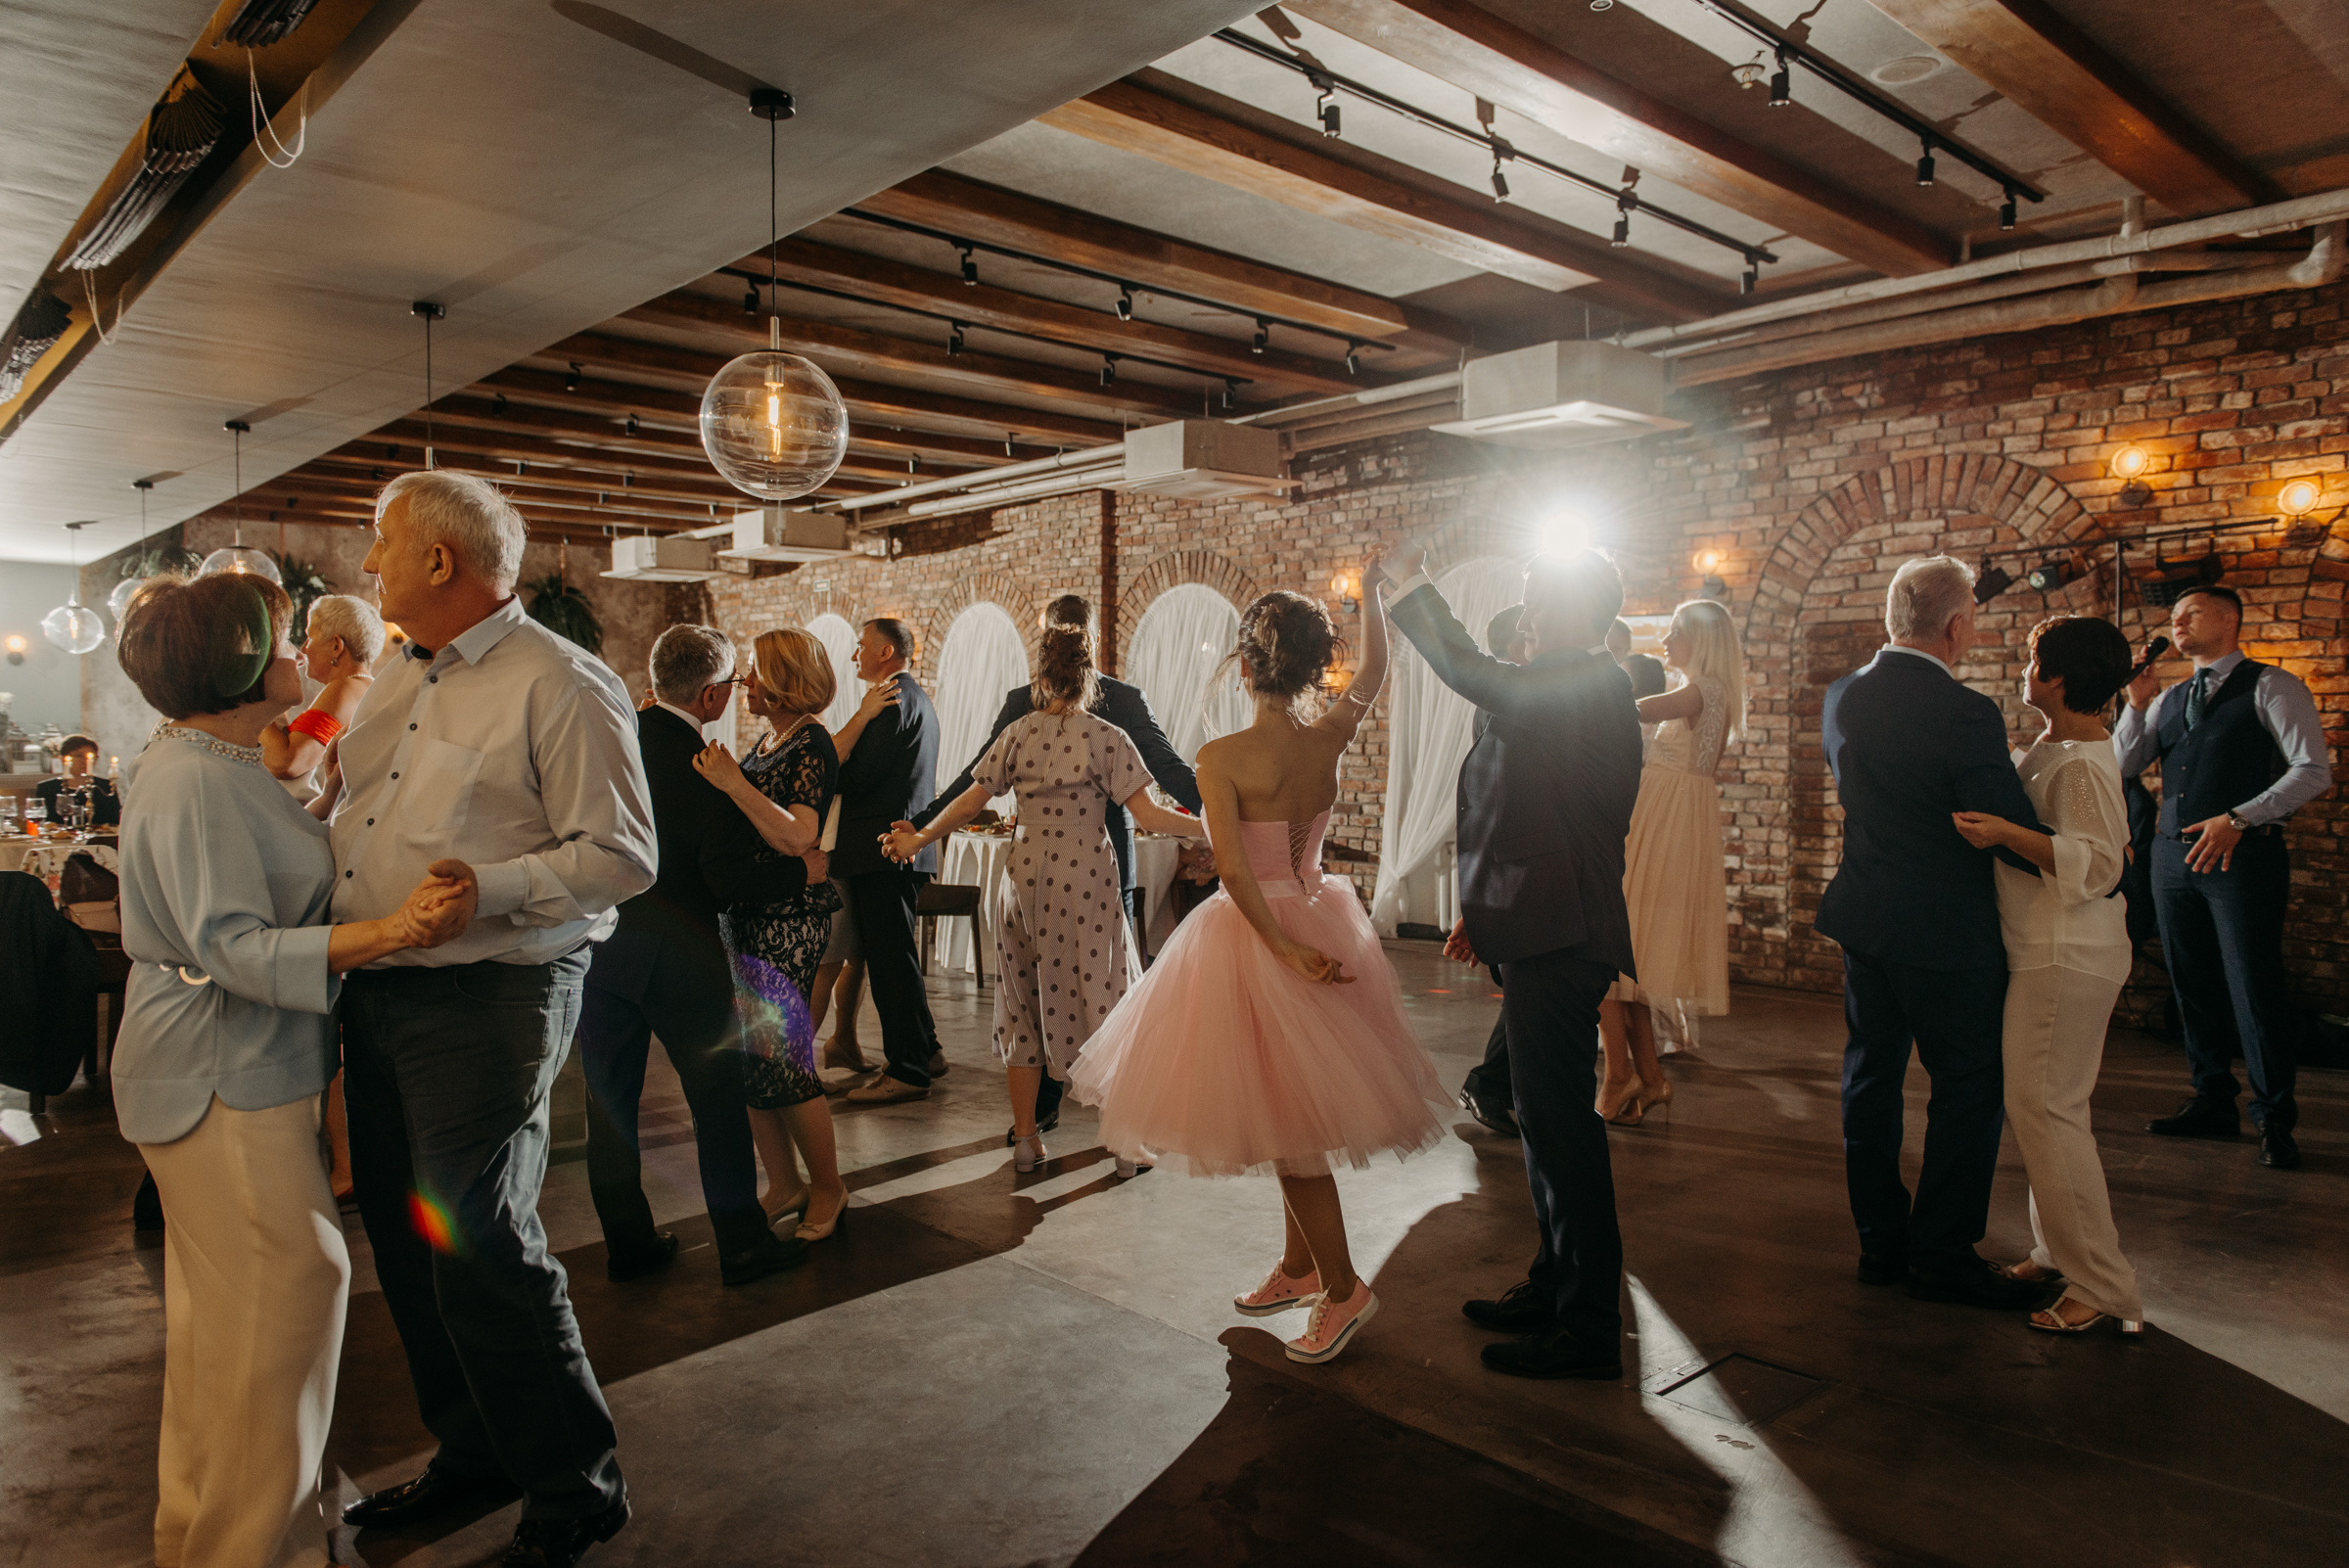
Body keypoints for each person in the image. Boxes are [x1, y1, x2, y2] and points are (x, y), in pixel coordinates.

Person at [111, 573, 470, 1568]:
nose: (299, 658)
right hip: (216, 1070)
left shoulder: (211, 759)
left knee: (224, 1322)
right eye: (280, 644)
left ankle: (205, 1536)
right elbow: (232, 945)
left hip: (229, 1065)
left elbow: (252, 863)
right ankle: (249, 1549)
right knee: (291, 1293)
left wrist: (323, 799)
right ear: (235, 669)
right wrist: (390, 930)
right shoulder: (192, 776)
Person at [330, 470, 655, 1568]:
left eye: (382, 545)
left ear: (438, 560)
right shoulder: (393, 675)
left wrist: (494, 887)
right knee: (408, 1240)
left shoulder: (561, 684)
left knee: (479, 1242)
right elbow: (360, 816)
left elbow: (622, 856)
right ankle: (472, 1453)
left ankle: (576, 1485)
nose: (367, 566)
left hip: (491, 995)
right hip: (376, 992)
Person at [1072, 578, 1449, 1367]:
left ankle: (1343, 1289)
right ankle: (1300, 1265)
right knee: (1290, 1109)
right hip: (1320, 913)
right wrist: (1372, 594)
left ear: (1245, 667)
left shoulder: (1221, 757)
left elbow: (1236, 875)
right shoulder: (1329, 737)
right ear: (1314, 670)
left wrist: (1280, 949)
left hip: (1263, 932)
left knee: (1295, 1129)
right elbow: (1375, 675)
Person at [1388, 541, 1642, 1381]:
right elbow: (1522, 807)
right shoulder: (1565, 687)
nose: (1528, 607)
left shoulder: (1584, 681)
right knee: (1543, 1121)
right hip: (1542, 925)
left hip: (1565, 933)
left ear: (1572, 610)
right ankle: (1554, 1284)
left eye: (1538, 593)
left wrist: (1415, 590)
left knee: (1563, 1129)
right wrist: (1482, 908)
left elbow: (1468, 668)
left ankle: (1589, 1330)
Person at [887, 622, 1209, 1176]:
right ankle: (1125, 1145)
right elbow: (1151, 817)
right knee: (1105, 999)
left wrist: (918, 837)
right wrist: (1220, 831)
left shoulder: (1018, 734)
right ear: (1090, 676)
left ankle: (1027, 1139)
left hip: (1023, 881)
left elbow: (970, 801)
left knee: (1022, 1002)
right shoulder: (1108, 738)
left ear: (1041, 675)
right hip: (1084, 881)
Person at [1818, 555, 2047, 1312]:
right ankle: (1942, 1251)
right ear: (1955, 626)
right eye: (1973, 619)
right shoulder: (1966, 713)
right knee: (1968, 1085)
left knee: (1871, 1078)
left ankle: (1881, 1242)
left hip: (1866, 916)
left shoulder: (1842, 696)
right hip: (1946, 927)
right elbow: (1997, 817)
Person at [577, 624, 815, 1285]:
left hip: (600, 942)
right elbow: (729, 882)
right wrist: (805, 874)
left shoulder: (607, 742)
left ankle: (627, 1244)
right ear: (710, 696)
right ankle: (740, 1243)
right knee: (716, 1098)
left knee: (609, 1101)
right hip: (681, 951)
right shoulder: (709, 769)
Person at [1952, 615, 2146, 1335]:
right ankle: (2058, 1250)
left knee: (2049, 1112)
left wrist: (2004, 833)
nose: (2025, 668)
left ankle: (2102, 1284)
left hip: (2068, 952)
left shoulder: (2081, 757)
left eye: (2035, 659)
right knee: (2047, 1111)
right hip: (2050, 946)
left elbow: (2099, 866)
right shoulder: (2060, 743)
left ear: (2057, 676)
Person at [2117, 585, 2331, 1171]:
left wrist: (2240, 817)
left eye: (2192, 613)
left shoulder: (2272, 685)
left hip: (2243, 859)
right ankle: (2212, 1099)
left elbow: (2314, 771)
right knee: (2191, 985)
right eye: (2173, 616)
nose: (2177, 624)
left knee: (2253, 986)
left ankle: (2275, 1118)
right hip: (2171, 859)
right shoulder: (2168, 699)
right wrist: (2136, 707)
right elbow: (2122, 766)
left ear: (2230, 619)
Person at [695, 627, 853, 1242]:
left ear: (786, 678)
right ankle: (783, 1184)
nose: (744, 683)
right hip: (751, 914)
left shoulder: (811, 742)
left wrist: (734, 783)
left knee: (785, 1059)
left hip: (789, 921)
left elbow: (796, 837)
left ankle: (829, 1187)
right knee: (753, 1060)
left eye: (754, 671)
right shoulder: (769, 739)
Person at [1598, 600, 1746, 1127]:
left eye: (1675, 633)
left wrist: (1594, 667)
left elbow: (1632, 709)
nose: (1665, 642)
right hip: (1677, 816)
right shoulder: (1718, 693)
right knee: (1627, 962)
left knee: (1609, 949)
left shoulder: (1701, 689)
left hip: (1662, 818)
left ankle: (1620, 1076)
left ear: (1700, 641)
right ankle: (1648, 1078)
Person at [832, 619, 946, 1105]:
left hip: (882, 848)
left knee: (890, 963)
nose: (854, 654)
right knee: (897, 956)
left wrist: (825, 764)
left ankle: (907, 1070)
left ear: (884, 651)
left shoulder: (889, 702)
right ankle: (929, 1051)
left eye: (860, 646)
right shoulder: (916, 697)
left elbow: (858, 777)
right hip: (900, 847)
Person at [1452, 602, 1532, 1139]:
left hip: (1518, 872)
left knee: (1527, 993)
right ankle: (1487, 1084)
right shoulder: (1504, 703)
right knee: (1525, 991)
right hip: (1513, 873)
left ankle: (1500, 1086)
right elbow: (1492, 805)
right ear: (1513, 647)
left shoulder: (1518, 697)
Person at [261, 594, 383, 785]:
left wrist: (253, 693)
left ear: (336, 646)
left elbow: (285, 763)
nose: (303, 649)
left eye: (310, 638)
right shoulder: (364, 686)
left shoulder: (345, 688)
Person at [33, 732, 117, 828]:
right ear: (63, 759)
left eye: (89, 757)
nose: (84, 761)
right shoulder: (47, 788)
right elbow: (44, 823)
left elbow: (114, 822)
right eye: (78, 756)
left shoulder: (105, 787)